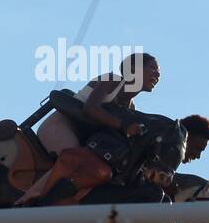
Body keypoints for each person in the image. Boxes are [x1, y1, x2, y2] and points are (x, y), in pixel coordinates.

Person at [19, 53, 160, 204]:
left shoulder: (130, 107)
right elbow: (90, 109)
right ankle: (28, 200)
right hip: (61, 125)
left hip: (84, 142)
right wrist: (123, 126)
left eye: (158, 71)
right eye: (152, 68)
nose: (157, 74)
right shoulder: (112, 81)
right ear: (133, 68)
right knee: (78, 162)